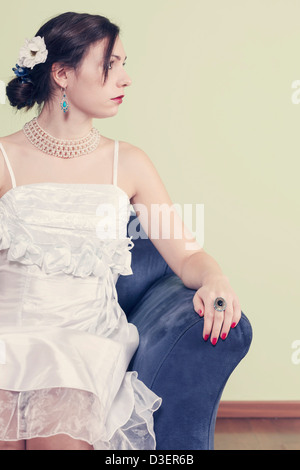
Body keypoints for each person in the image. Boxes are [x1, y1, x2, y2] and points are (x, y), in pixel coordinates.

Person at [0, 11, 241, 451]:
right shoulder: (4, 157)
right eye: (111, 65)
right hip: (8, 335)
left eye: (124, 65)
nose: (125, 79)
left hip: (82, 340)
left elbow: (186, 255)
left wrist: (215, 278)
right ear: (62, 75)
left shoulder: (128, 162)